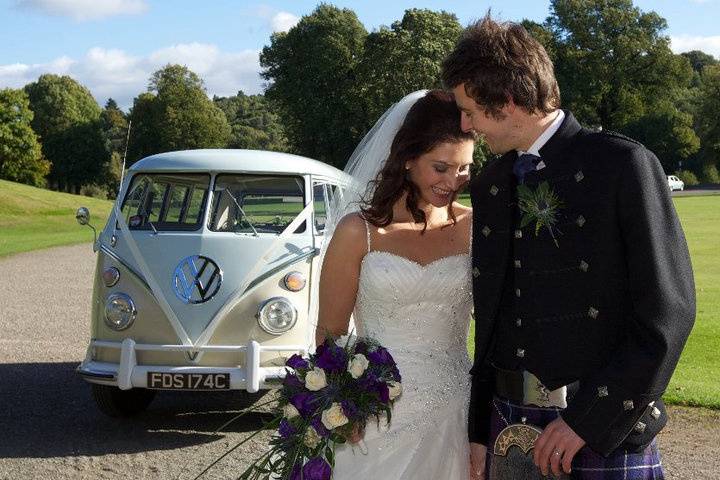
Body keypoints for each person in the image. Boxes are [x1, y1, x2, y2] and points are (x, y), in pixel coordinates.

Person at [441, 15, 695, 480]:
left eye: (470, 110)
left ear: (508, 101)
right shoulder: (494, 184)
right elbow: (492, 319)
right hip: (508, 422)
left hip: (602, 427)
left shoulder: (622, 165)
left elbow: (668, 312)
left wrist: (586, 420)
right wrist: (479, 427)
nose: (465, 124)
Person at [315, 89, 477, 479]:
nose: (453, 181)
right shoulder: (359, 232)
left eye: (464, 168)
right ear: (407, 159)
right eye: (441, 167)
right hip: (373, 417)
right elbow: (330, 332)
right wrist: (341, 407)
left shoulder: (476, 227)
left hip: (455, 410)